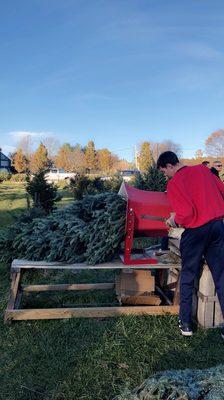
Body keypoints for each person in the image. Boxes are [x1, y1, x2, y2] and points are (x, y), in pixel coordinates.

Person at [157, 151, 224, 337]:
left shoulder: (174, 183)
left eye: (164, 171)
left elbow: (185, 214)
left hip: (196, 232)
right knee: (221, 276)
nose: (165, 175)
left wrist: (173, 220)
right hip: (218, 227)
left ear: (170, 166)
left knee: (187, 276)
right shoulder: (203, 170)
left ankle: (186, 324)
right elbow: (222, 191)